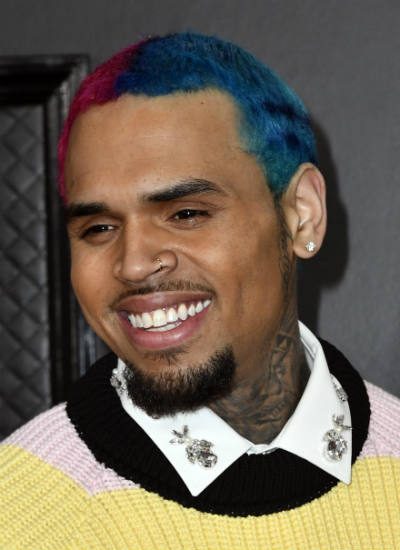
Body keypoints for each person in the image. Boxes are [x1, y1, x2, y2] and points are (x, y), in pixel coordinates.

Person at [1, 32, 399, 550]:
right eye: (98, 228)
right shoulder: (21, 511)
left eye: (187, 214)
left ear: (302, 216)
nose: (134, 263)